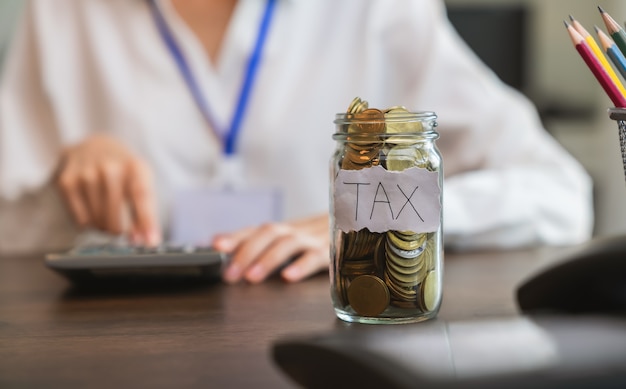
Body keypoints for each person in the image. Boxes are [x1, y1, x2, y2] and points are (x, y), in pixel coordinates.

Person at [0, 0, 593, 283]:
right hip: (119, 349)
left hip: (325, 336)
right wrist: (63, 174)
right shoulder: (61, 12)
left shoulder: (381, 10)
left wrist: (373, 216)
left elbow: (559, 194)